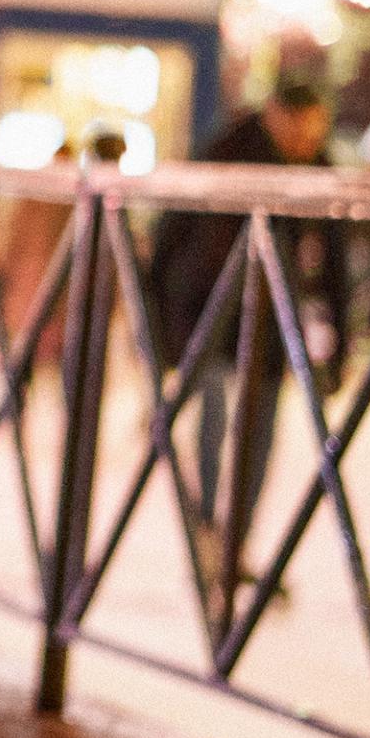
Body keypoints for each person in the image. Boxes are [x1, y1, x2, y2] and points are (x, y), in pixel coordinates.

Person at [146, 75, 347, 596]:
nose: (307, 143)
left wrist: (338, 343)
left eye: (315, 133)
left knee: (260, 436)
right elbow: (173, 229)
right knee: (210, 423)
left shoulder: (320, 167)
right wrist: (157, 320)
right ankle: (209, 533)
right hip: (208, 315)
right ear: (276, 115)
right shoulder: (229, 150)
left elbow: (335, 260)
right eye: (301, 131)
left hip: (273, 330)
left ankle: (233, 543)